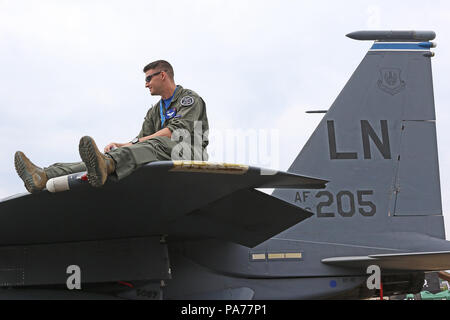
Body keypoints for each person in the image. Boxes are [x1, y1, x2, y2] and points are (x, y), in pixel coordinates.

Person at [14, 60, 209, 193]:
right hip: (159, 150)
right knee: (102, 160)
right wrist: (123, 145)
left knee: (147, 146)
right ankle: (44, 175)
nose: (146, 84)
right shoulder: (154, 111)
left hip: (188, 152)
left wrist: (131, 144)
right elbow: (141, 139)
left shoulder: (188, 99)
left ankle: (107, 164)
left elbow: (174, 132)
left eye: (149, 78)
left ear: (163, 75)